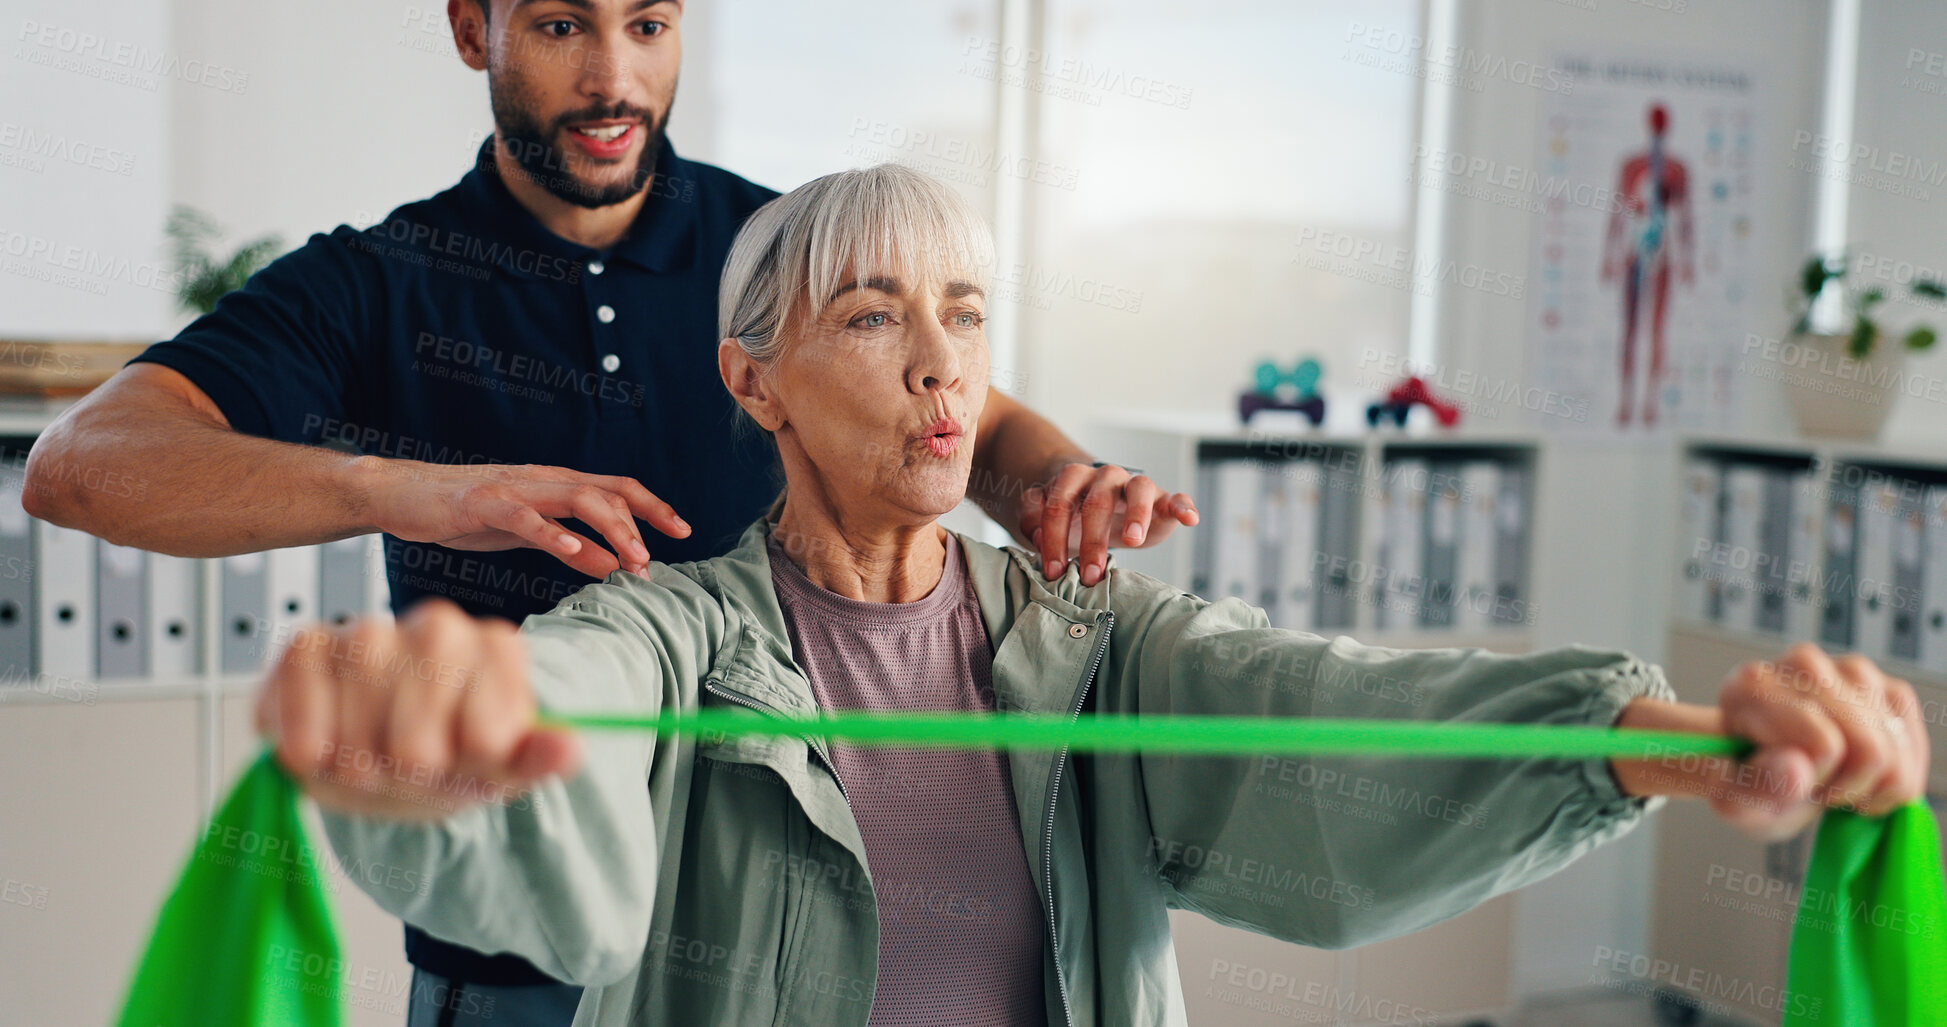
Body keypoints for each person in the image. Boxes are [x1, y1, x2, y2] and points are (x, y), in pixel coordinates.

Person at [261, 164, 1931, 1027]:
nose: (935, 364)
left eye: (966, 315)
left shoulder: (1087, 638)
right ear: (749, 382)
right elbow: (568, 817)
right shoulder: (676, 635)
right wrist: (445, 747)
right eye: (866, 316)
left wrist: (1651, 741)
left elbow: (1326, 715)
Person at [21, 2, 1193, 1023]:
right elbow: (83, 464)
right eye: (561, 26)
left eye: (649, 24)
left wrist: (1060, 483)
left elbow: (964, 417)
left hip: (773, 932)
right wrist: (426, 489)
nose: (613, 81)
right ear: (473, 27)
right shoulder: (381, 277)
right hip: (512, 948)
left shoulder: (773, 250)